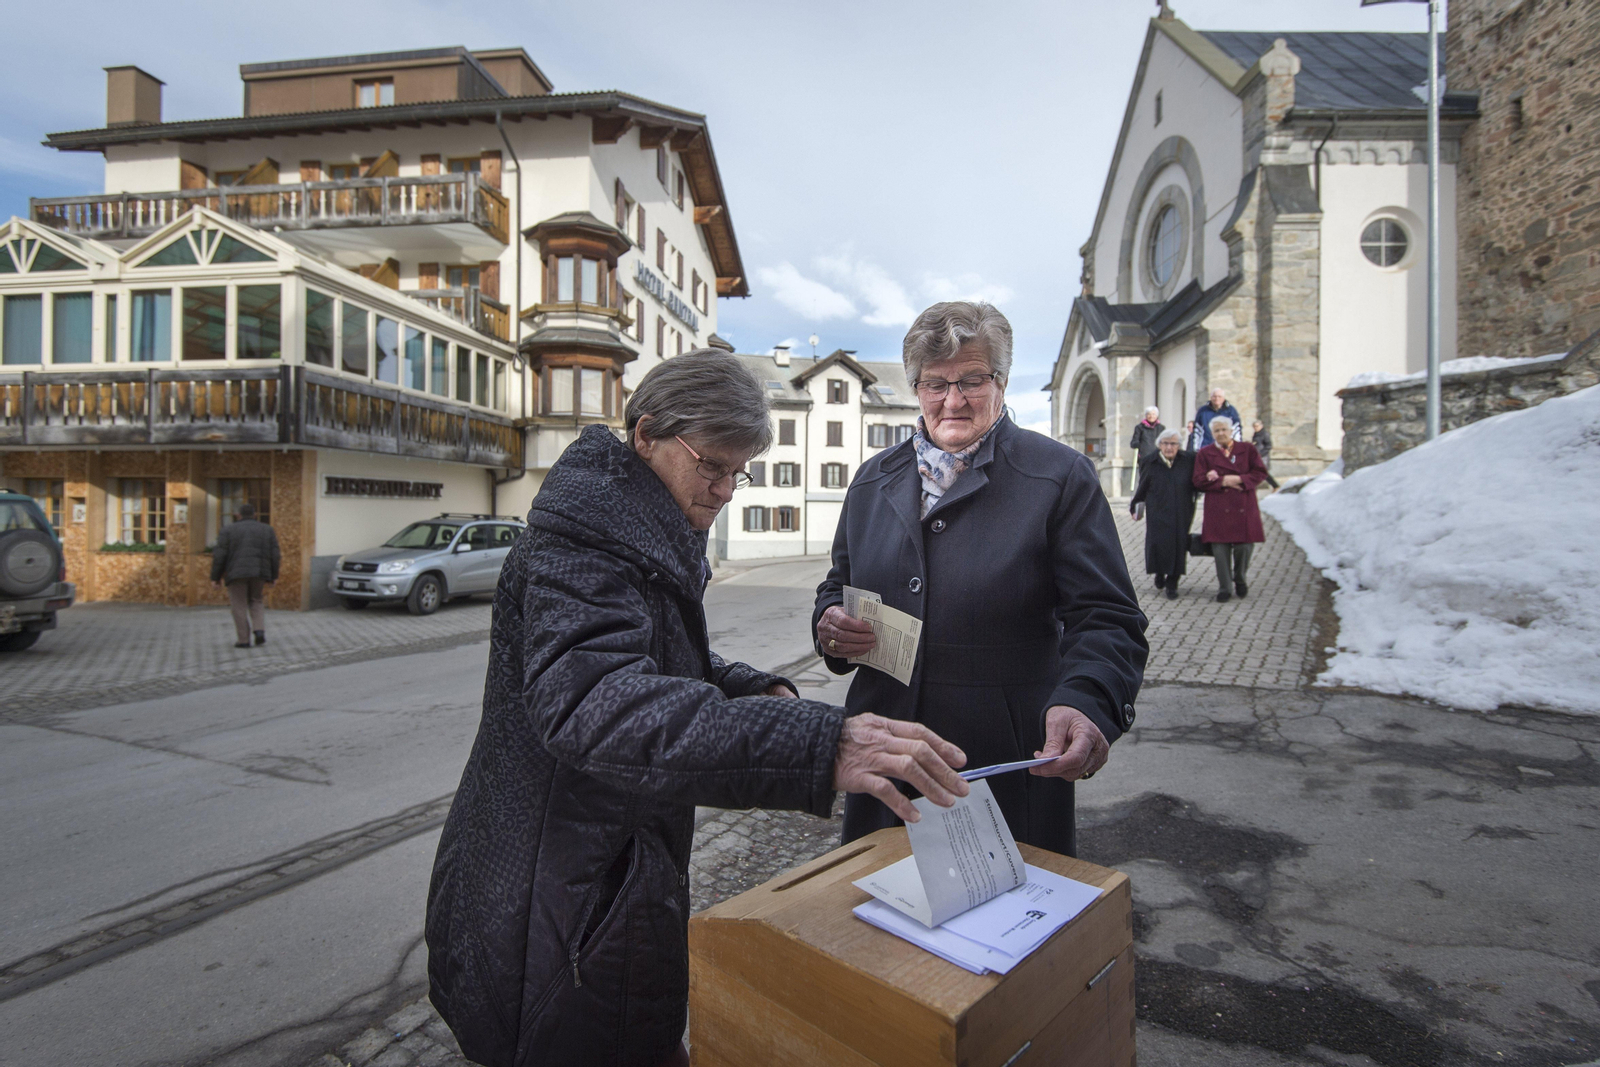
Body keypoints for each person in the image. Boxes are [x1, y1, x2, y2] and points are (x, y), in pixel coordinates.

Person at [426, 350, 970, 1067]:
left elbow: (649, 658)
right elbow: (595, 703)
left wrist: (747, 687)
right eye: (711, 465)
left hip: (586, 891)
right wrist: (816, 743)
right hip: (557, 911)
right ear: (647, 433)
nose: (724, 490)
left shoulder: (633, 521)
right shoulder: (587, 541)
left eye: (737, 472)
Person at [812, 301, 1148, 858]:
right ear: (916, 388)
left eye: (972, 379)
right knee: (875, 926)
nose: (953, 399)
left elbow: (1107, 617)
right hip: (886, 751)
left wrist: (1088, 700)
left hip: (1000, 760)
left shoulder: (1058, 477)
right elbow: (838, 581)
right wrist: (829, 624)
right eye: (934, 383)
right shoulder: (873, 479)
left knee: (1002, 929)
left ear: (1003, 381)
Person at [1193, 416, 1268, 602]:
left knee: (1244, 547)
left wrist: (1240, 479)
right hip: (1218, 509)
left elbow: (1260, 472)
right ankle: (1224, 587)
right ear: (1212, 434)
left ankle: (1240, 578)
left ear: (1231, 431)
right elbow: (1197, 480)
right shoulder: (1205, 453)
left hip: (1244, 505)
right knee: (1220, 550)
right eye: (1217, 431)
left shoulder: (1247, 449)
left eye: (1224, 430)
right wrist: (1222, 481)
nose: (1221, 434)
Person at [1130, 429, 1197, 600]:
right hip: (1158, 511)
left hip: (1182, 511)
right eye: (1165, 443)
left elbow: (1197, 481)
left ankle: (1172, 583)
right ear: (1159, 445)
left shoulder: (1188, 460)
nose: (1169, 447)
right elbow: (1142, 485)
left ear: (1179, 446)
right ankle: (1159, 572)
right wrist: (1134, 505)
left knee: (1179, 545)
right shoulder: (1149, 461)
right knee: (1158, 544)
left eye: (1173, 443)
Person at [209, 503, 280, 648]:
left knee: (239, 605)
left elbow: (220, 555)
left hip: (236, 573)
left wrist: (215, 577)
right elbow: (275, 554)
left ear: (238, 515)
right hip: (259, 572)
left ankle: (243, 640)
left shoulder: (227, 530)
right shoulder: (267, 530)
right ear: (255, 515)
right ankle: (259, 630)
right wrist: (273, 576)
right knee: (257, 600)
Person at [1251, 420, 1281, 490]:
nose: (1255, 428)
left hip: (1263, 457)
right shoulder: (1256, 434)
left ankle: (1276, 486)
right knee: (1258, 472)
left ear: (1261, 426)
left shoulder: (1265, 434)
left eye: (1257, 426)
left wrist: (1261, 454)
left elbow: (1268, 446)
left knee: (1264, 473)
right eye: (1254, 426)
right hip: (1257, 456)